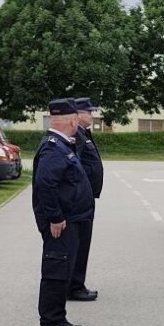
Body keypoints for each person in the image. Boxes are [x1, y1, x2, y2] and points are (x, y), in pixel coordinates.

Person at [32, 98, 94, 326]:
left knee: (62, 269)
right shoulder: (53, 147)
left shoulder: (61, 145)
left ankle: (59, 318)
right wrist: (55, 217)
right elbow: (45, 184)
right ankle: (51, 324)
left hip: (70, 219)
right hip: (61, 223)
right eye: (77, 119)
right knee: (55, 272)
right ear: (72, 120)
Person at [69, 97, 103, 302]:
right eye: (88, 112)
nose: (91, 115)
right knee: (79, 244)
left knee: (82, 243)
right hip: (81, 198)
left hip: (87, 197)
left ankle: (76, 283)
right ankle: (75, 286)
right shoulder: (76, 136)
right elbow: (76, 169)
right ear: (77, 114)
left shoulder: (83, 134)